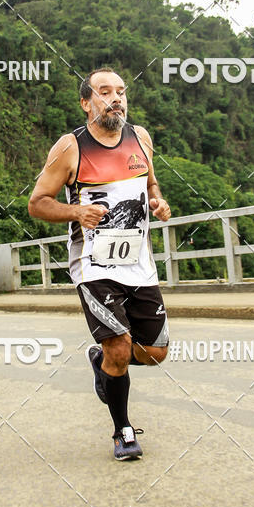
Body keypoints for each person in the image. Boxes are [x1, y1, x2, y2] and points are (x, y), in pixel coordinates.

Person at [28, 68, 171, 460]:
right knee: (120, 347)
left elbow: (150, 183)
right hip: (93, 265)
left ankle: (103, 360)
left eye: (121, 91)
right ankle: (123, 431)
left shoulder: (140, 138)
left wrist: (157, 201)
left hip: (139, 264)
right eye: (104, 92)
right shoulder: (70, 147)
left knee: (154, 352)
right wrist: (76, 212)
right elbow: (37, 203)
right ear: (85, 102)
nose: (116, 99)